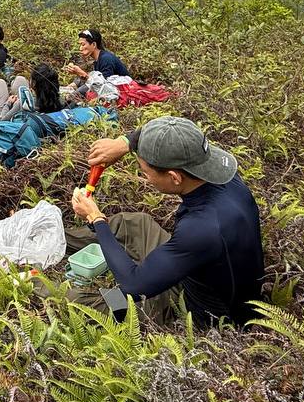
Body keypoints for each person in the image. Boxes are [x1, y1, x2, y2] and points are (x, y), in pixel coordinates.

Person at [67, 116, 263, 326]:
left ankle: (32, 281)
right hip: (196, 269)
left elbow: (133, 283)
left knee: (83, 302)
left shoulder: (201, 228)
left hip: (195, 311)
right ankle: (60, 242)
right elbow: (171, 139)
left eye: (145, 173)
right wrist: (123, 144)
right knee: (135, 222)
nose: (146, 179)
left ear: (174, 177)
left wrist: (96, 218)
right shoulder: (216, 171)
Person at [0, 63, 65, 122]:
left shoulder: (22, 103)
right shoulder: (60, 101)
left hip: (1, 120)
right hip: (37, 116)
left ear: (34, 84)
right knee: (20, 79)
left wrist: (8, 104)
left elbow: (1, 122)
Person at [64, 28, 130, 81]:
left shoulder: (106, 59)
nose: (80, 48)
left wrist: (80, 72)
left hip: (124, 91)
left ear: (94, 44)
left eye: (83, 44)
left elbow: (103, 85)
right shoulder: (98, 59)